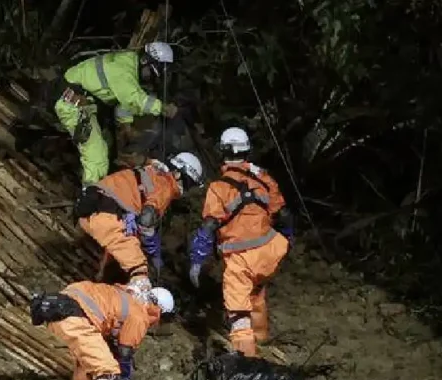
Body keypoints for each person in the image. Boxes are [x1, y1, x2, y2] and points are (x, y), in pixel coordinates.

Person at [188, 127, 293, 357]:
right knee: (256, 293)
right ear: (247, 151)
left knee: (238, 312)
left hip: (241, 257)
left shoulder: (219, 188)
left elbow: (209, 227)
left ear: (222, 152)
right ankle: (262, 339)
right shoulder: (264, 179)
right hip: (270, 250)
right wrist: (287, 241)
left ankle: (248, 363)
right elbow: (284, 216)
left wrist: (197, 260)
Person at [31, 281, 174, 380]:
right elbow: (124, 354)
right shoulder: (139, 314)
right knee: (109, 375)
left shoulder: (125, 297)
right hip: (75, 316)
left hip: (58, 306)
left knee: (88, 363)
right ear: (159, 310)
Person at [54, 42, 179, 187]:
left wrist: (125, 124)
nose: (150, 77)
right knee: (97, 153)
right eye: (151, 72)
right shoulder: (123, 70)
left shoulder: (128, 63)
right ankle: (88, 196)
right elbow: (134, 98)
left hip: (86, 104)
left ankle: (99, 187)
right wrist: (163, 108)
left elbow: (121, 100)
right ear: (146, 61)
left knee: (108, 145)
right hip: (71, 103)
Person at [76, 153, 204, 288]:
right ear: (178, 174)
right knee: (138, 267)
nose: (185, 189)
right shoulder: (166, 186)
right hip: (106, 217)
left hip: (89, 208)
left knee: (126, 241)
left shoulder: (150, 170)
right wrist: (153, 251)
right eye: (188, 183)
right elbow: (146, 220)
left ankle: (101, 278)